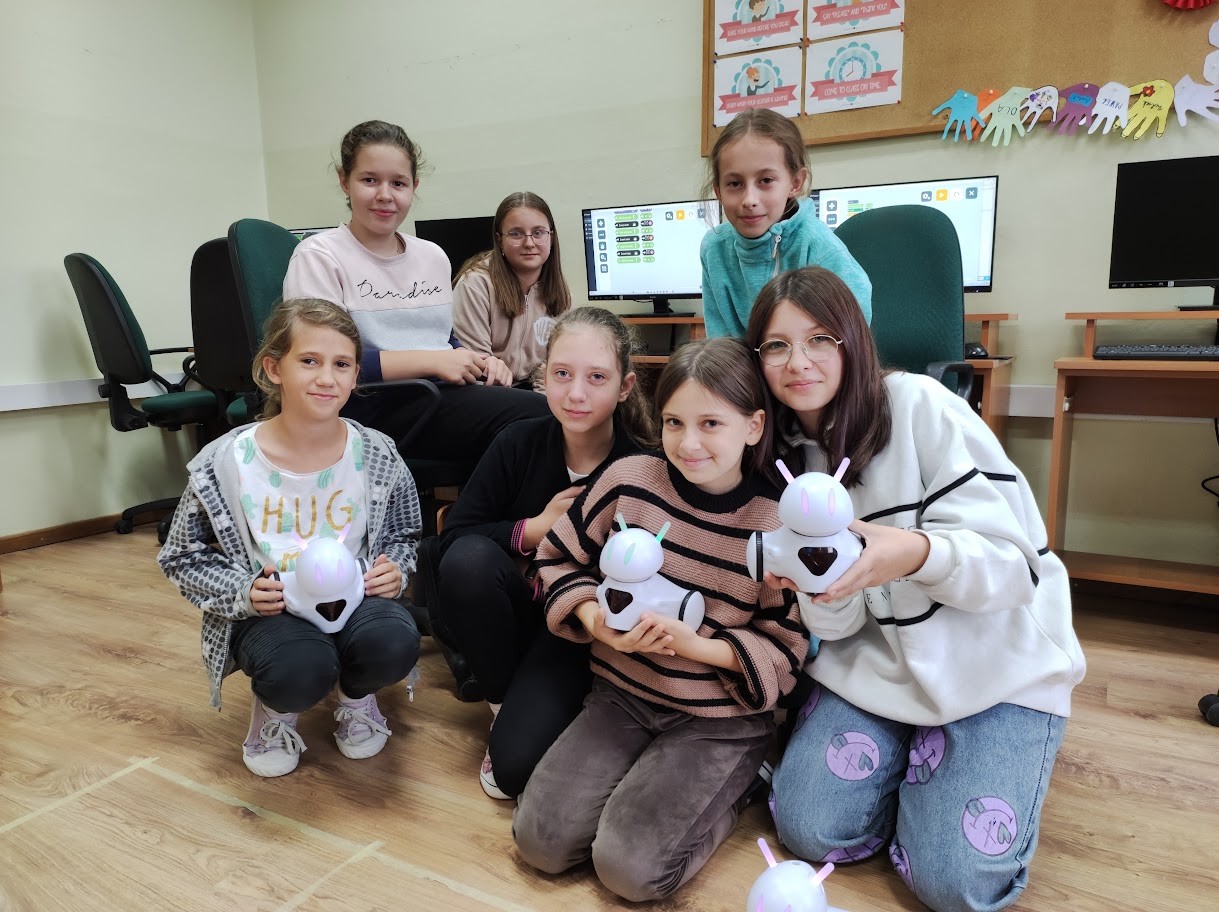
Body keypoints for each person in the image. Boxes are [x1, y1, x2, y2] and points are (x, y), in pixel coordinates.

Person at [745, 267, 1086, 912]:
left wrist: (917, 552)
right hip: (876, 665)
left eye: (819, 340)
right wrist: (820, 589)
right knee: (809, 829)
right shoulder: (782, 456)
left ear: (852, 340)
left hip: (992, 662)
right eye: (777, 345)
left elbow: (1016, 568)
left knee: (956, 884)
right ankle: (915, 760)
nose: (799, 362)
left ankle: (958, 764)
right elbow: (837, 626)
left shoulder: (919, 406)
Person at [513, 337, 809, 902]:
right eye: (674, 422)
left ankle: (741, 784)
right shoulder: (629, 480)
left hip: (719, 720)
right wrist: (593, 618)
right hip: (621, 697)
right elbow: (557, 557)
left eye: (710, 424)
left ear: (753, 426)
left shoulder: (775, 527)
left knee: (630, 872)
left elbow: (788, 649)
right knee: (540, 844)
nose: (688, 443)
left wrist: (698, 647)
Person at [157, 299, 423, 778]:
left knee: (395, 642)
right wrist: (242, 591)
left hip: (356, 598)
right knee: (299, 668)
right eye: (310, 361)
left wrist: (396, 568)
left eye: (341, 364)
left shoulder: (376, 453)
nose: (327, 378)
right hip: (273, 610)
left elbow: (404, 533)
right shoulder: (224, 463)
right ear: (274, 369)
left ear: (355, 375)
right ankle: (276, 710)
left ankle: (355, 697)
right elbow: (181, 556)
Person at [433, 306, 653, 800]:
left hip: (578, 635)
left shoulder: (643, 467)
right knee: (468, 562)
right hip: (510, 622)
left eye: (597, 377)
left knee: (513, 772)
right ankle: (500, 702)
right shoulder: (517, 441)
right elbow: (454, 537)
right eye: (562, 374)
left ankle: (544, 705)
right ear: (543, 377)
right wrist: (533, 530)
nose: (576, 393)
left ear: (625, 386)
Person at [281, 120, 548, 473]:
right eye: (369, 180)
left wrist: (478, 361)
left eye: (398, 183)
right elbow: (322, 364)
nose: (385, 195)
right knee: (542, 417)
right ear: (344, 180)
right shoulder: (319, 256)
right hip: (372, 403)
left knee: (547, 417)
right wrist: (433, 362)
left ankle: (487, 510)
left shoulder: (432, 256)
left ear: (414, 186)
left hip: (438, 394)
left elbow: (442, 338)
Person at [699, 108, 872, 339]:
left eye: (766, 180)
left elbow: (851, 334)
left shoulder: (818, 247)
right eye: (735, 184)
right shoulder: (714, 248)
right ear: (718, 190)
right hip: (744, 363)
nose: (749, 200)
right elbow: (720, 342)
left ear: (795, 183)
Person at [451, 191, 572, 390]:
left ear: (551, 237)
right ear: (500, 240)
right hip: (487, 389)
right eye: (516, 234)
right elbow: (476, 367)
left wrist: (546, 398)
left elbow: (556, 366)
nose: (529, 243)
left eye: (538, 232)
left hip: (535, 389)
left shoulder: (558, 289)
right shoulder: (475, 284)